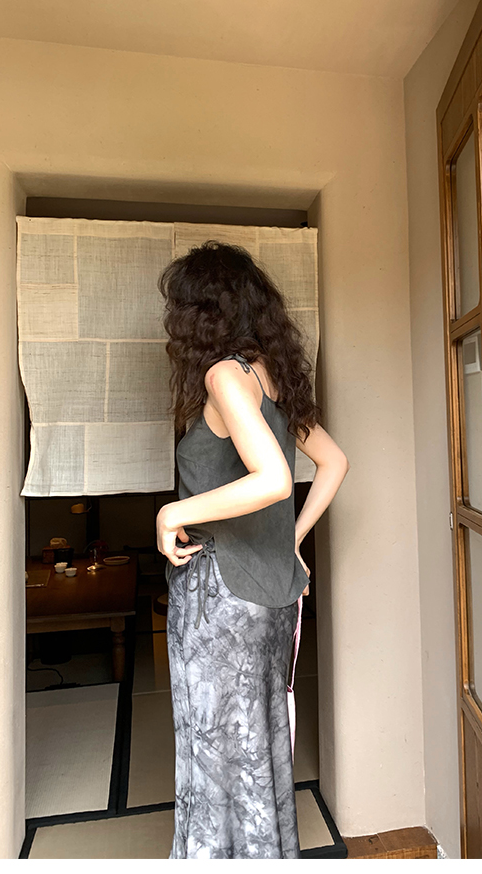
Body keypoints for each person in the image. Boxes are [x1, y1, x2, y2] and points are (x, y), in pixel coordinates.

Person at [155, 240, 349, 859]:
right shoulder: (270, 375)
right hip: (272, 596)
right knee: (261, 749)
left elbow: (272, 479)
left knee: (213, 758)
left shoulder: (223, 376)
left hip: (221, 597)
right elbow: (334, 463)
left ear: (201, 312)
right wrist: (289, 539)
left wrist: (173, 512)